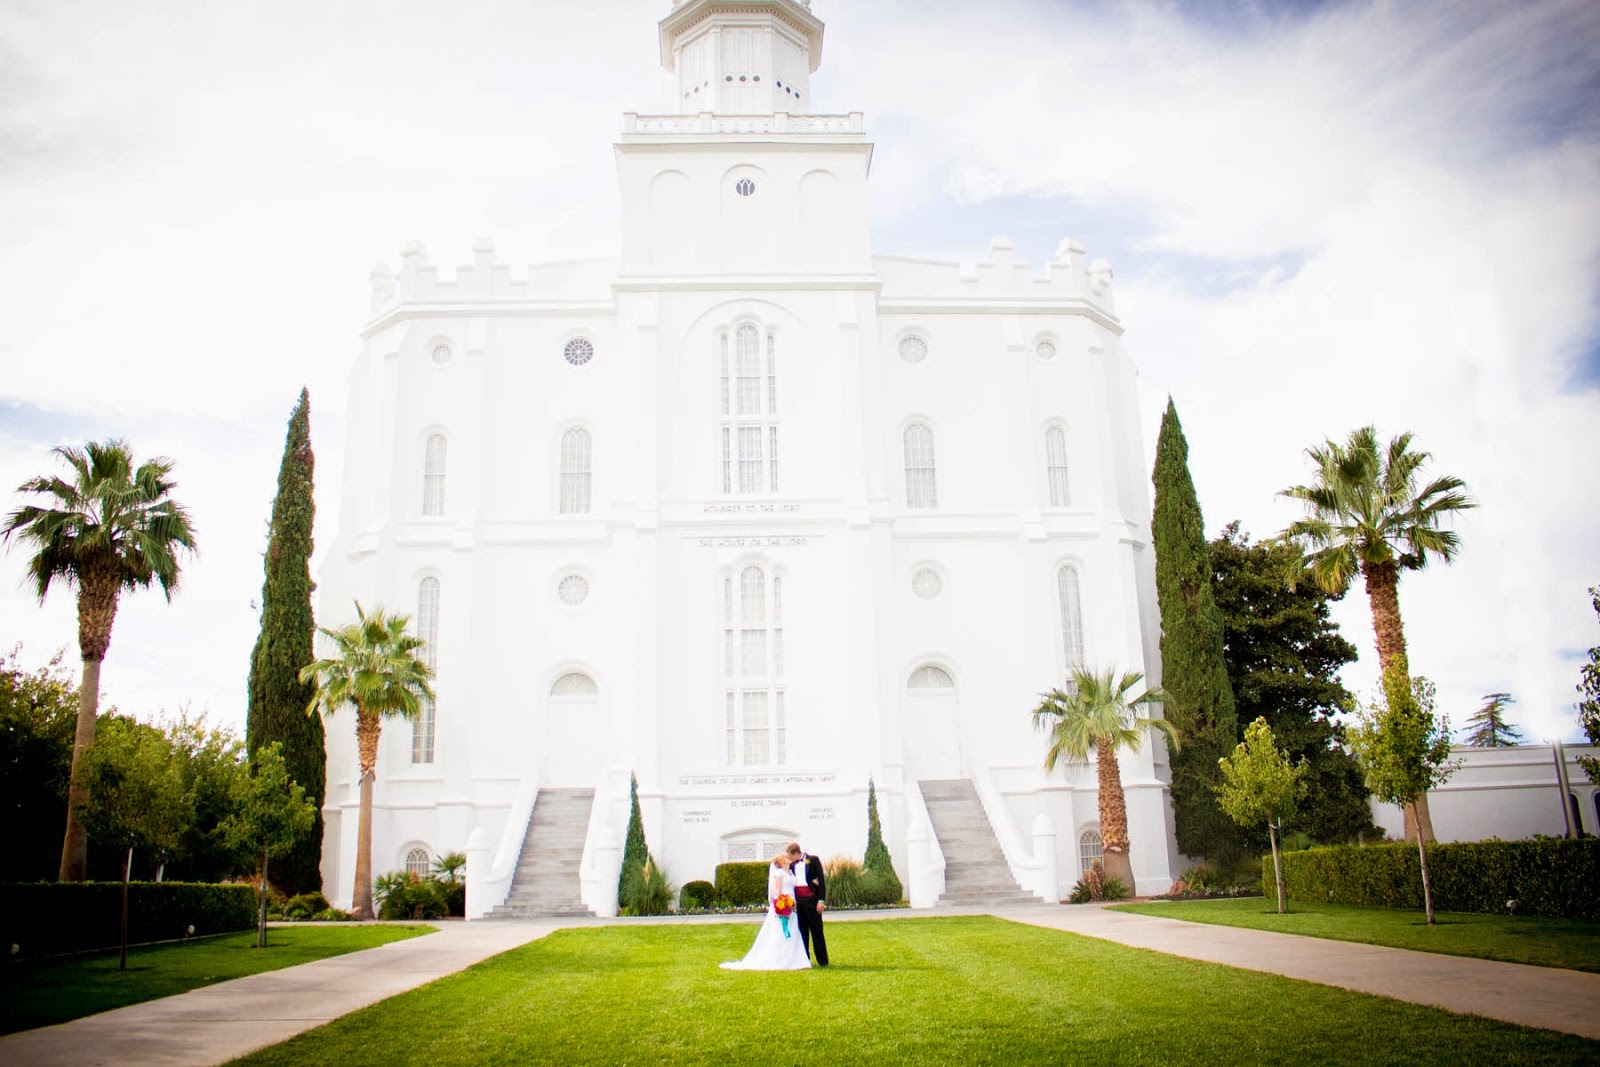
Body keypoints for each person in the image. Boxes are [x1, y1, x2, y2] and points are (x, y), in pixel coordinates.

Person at [719, 852, 811, 971]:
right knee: (779, 932)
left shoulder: (791, 872)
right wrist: (782, 903)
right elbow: (777, 891)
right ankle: (779, 959)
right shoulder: (779, 873)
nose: (788, 857)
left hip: (791, 905)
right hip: (782, 904)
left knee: (793, 931)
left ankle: (795, 959)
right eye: (786, 857)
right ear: (781, 861)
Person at [786, 841, 828, 967]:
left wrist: (821, 900)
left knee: (817, 930)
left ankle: (822, 960)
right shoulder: (791, 865)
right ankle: (805, 959)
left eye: (790, 855)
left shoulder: (813, 860)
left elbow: (821, 881)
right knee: (802, 931)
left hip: (812, 900)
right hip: (799, 901)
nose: (789, 858)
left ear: (795, 853)